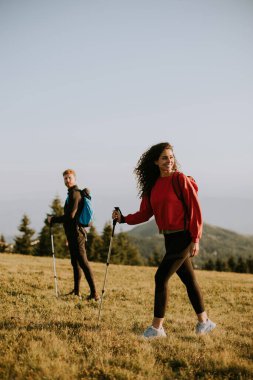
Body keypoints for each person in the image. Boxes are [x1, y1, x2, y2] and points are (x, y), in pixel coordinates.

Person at [112, 142, 216, 337]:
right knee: (189, 279)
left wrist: (196, 238)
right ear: (155, 162)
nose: (169, 161)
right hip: (169, 238)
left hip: (184, 236)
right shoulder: (152, 186)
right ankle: (205, 322)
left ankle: (157, 328)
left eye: (171, 157)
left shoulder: (180, 179)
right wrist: (124, 218)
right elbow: (144, 214)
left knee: (160, 277)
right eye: (164, 158)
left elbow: (195, 209)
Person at [47, 169, 99, 301]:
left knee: (83, 262)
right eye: (65, 178)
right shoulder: (71, 193)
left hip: (77, 234)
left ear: (74, 179)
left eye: (69, 178)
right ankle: (76, 292)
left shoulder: (75, 194)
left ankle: (95, 294)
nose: (67, 180)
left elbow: (70, 216)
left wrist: (53, 219)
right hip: (72, 233)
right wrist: (67, 236)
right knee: (75, 263)